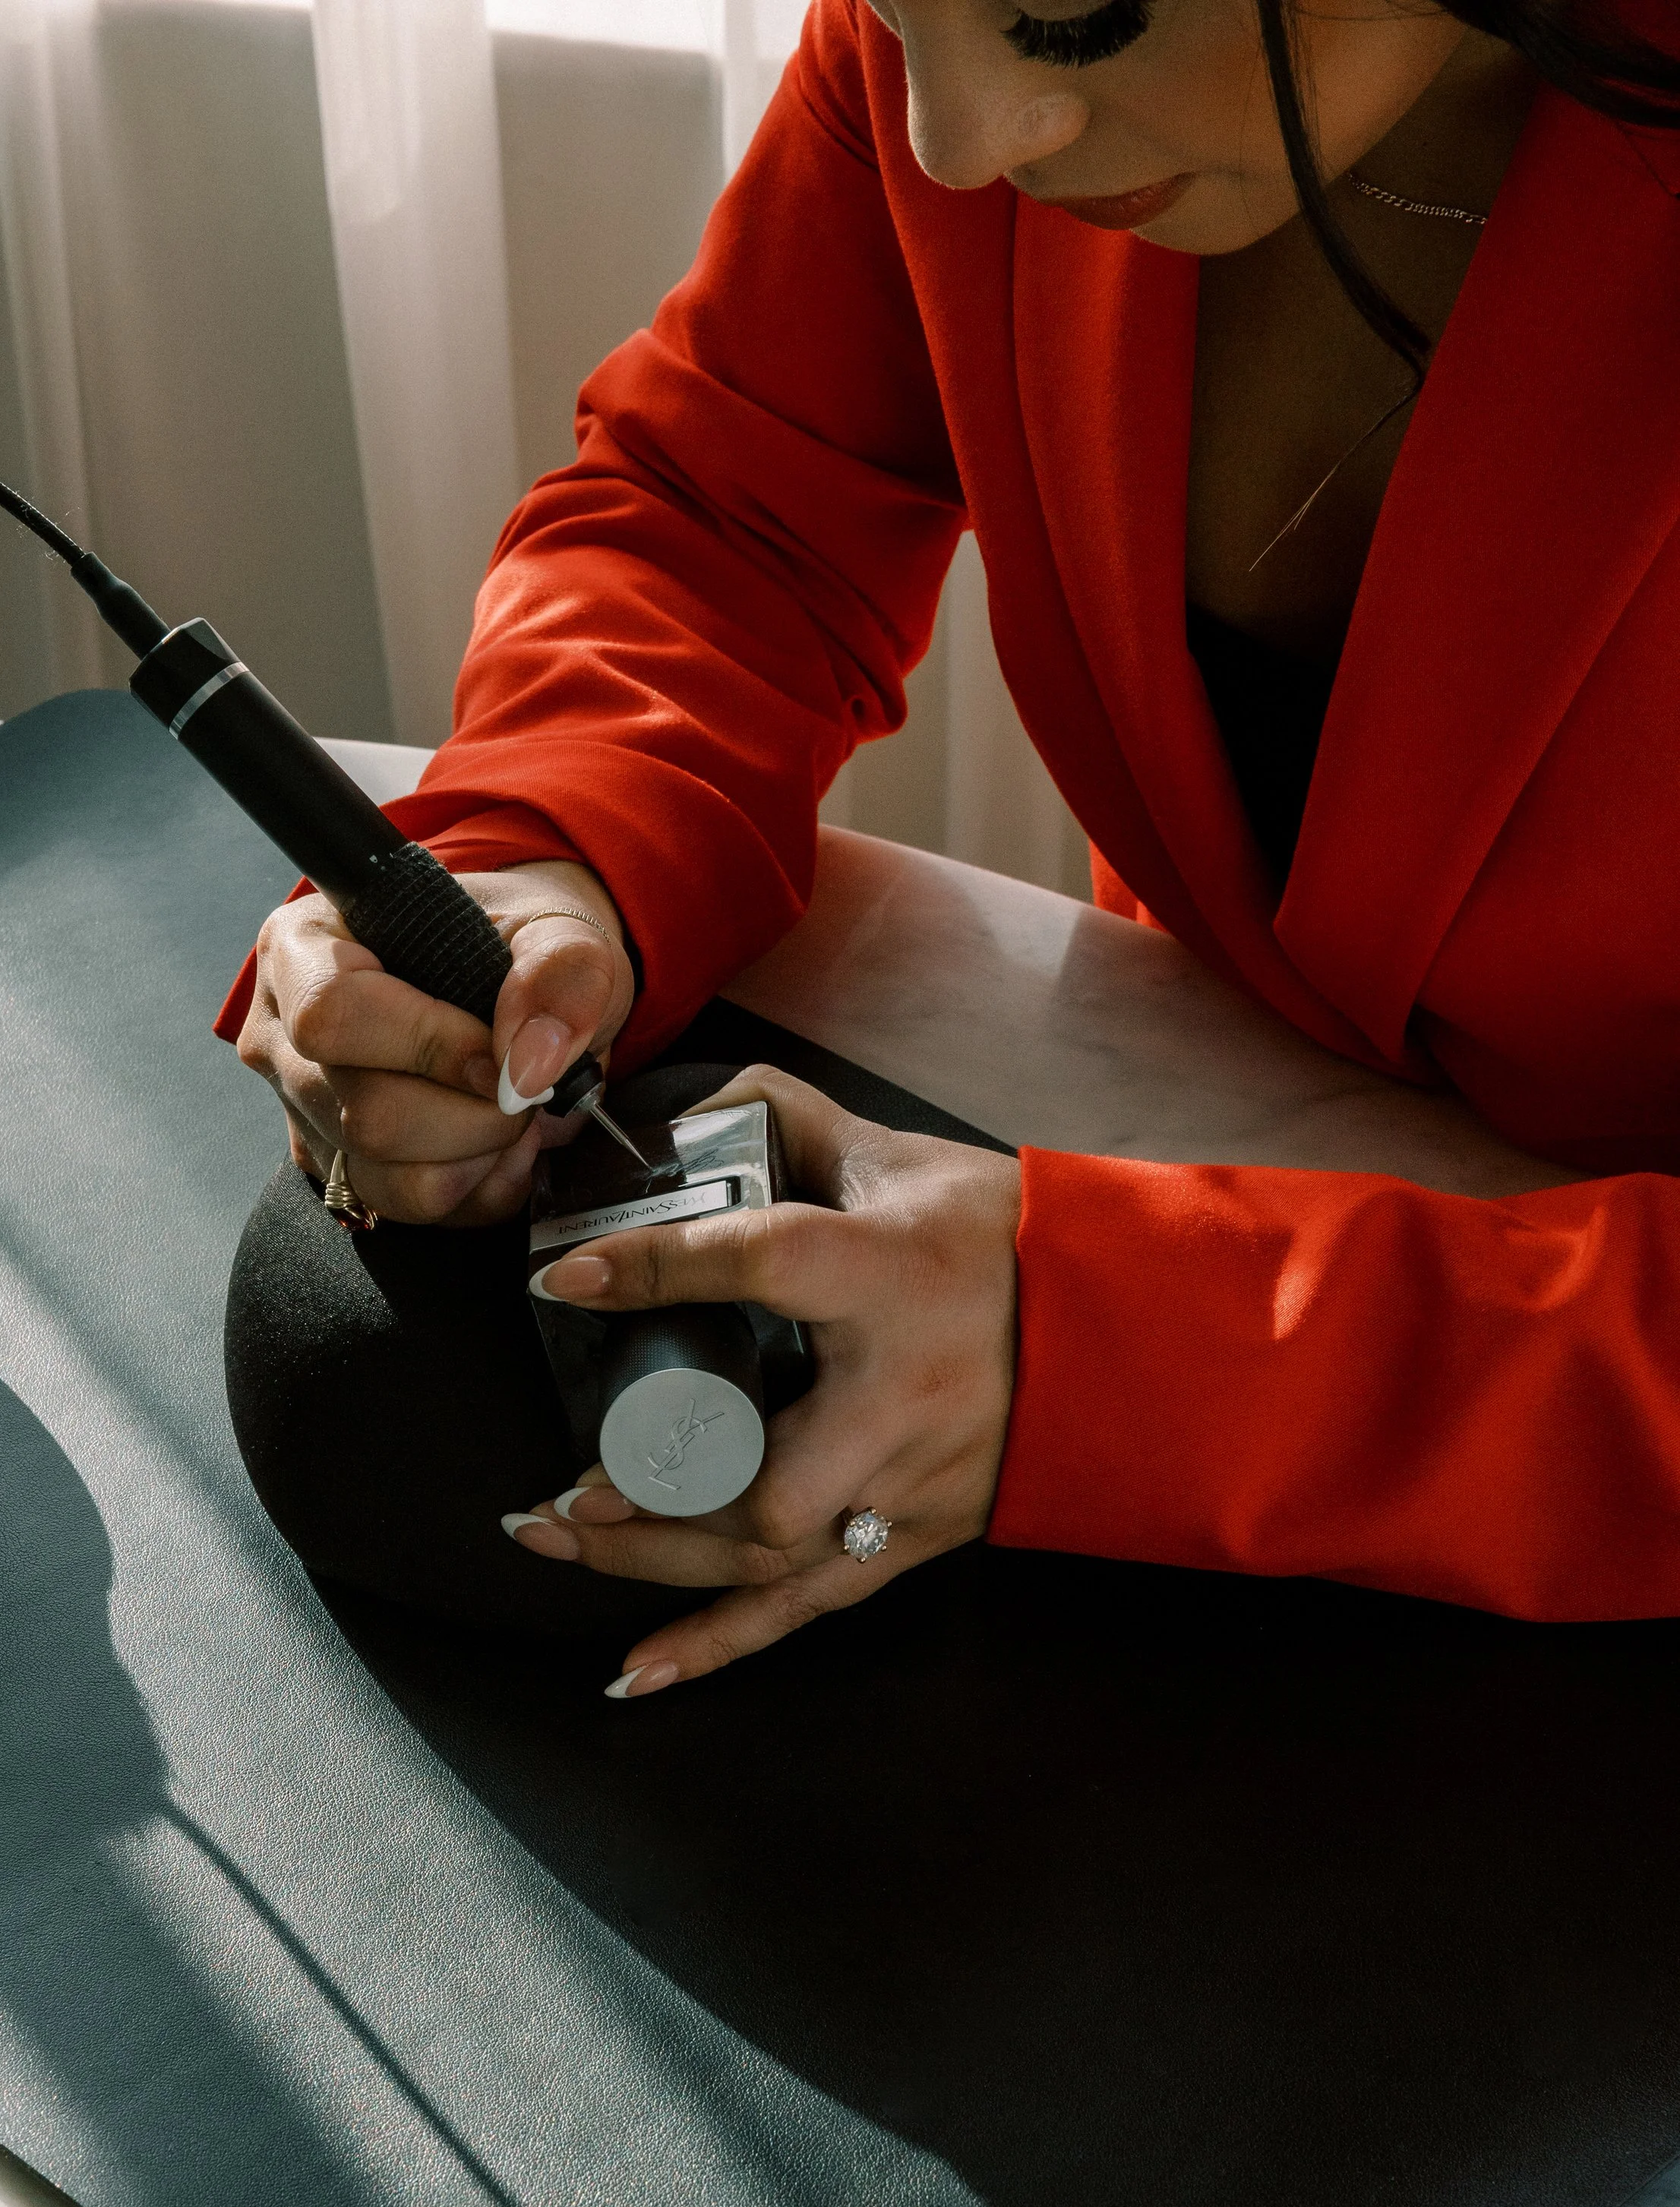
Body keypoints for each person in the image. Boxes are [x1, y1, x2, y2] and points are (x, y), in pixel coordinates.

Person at [219, 0, 1680, 1697]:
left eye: (1074, 17)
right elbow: (730, 517)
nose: (953, 144)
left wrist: (1137, 1346)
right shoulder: (953, 61)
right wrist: (544, 851)